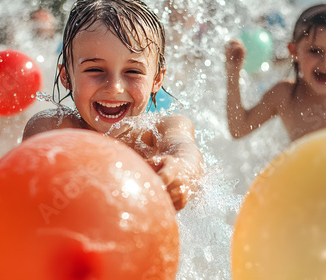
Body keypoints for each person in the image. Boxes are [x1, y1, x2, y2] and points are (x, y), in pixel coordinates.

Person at [22, 0, 204, 211]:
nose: (114, 87)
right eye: (95, 69)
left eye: (133, 71)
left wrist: (181, 169)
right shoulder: (53, 129)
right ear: (66, 77)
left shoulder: (162, 131)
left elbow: (185, 149)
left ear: (156, 80)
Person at [225, 3, 326, 142]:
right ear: (294, 51)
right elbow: (239, 128)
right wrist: (233, 73)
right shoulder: (284, 96)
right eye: (314, 51)